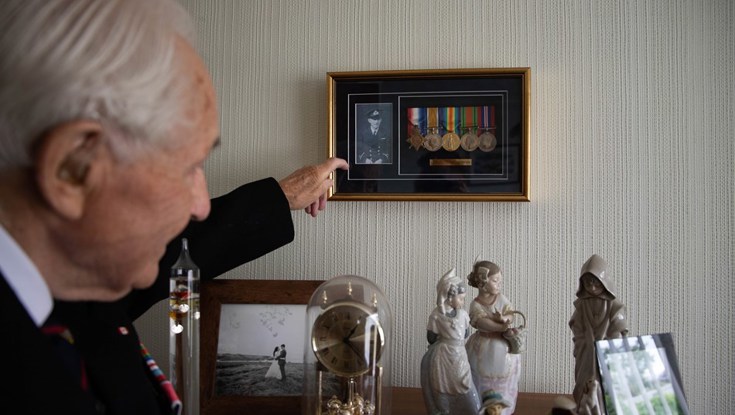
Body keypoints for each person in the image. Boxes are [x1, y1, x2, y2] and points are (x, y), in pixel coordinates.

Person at [0, 1, 347, 414]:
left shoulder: (81, 278)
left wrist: (282, 197)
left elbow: (176, 252)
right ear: (71, 170)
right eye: (188, 167)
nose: (200, 206)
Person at [569, 254, 628, 415]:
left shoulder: (613, 305)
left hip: (607, 352)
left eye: (596, 283)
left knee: (605, 384)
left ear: (604, 282)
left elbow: (618, 326)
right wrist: (583, 340)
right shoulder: (581, 305)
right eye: (588, 284)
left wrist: (609, 343)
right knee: (584, 382)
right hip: (586, 353)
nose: (592, 288)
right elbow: (576, 325)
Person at [464, 260, 521, 415]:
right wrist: (499, 327)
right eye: (495, 281)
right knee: (478, 374)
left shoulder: (501, 298)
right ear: (483, 282)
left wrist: (506, 319)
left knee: (505, 376)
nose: (499, 284)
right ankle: (481, 407)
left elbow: (510, 313)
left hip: (502, 345)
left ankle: (503, 409)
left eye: (500, 281)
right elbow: (480, 322)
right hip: (483, 345)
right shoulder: (475, 305)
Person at [420, 268, 480, 415]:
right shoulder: (436, 315)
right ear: (449, 296)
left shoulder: (463, 315)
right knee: (441, 384)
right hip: (443, 357)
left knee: (465, 384)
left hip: (459, 355)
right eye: (461, 298)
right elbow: (431, 337)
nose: (462, 301)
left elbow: (465, 333)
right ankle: (444, 408)